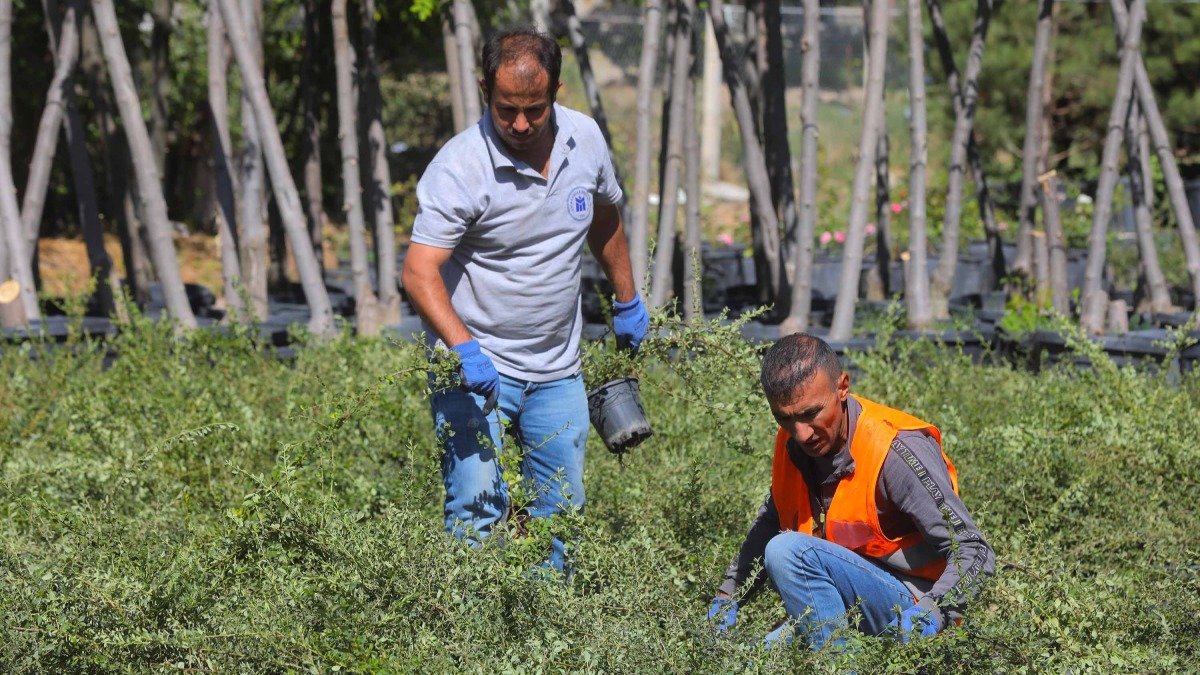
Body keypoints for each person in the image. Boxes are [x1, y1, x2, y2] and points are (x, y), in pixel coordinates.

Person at [401, 26, 647, 573]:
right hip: (475, 369)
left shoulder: (585, 140)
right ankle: (468, 621)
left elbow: (605, 216)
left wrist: (627, 299)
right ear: (484, 89)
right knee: (476, 511)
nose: (519, 124)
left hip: (557, 370)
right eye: (506, 109)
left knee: (561, 517)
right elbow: (419, 272)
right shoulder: (460, 167)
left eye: (534, 110)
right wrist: (464, 349)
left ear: (556, 90)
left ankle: (547, 616)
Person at [707, 333, 994, 648]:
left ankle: (839, 665)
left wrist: (931, 612)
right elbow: (771, 520)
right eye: (784, 418)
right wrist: (727, 597)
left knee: (787, 551)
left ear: (842, 387)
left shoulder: (894, 451)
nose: (801, 434)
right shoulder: (794, 445)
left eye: (810, 414)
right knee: (756, 660)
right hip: (847, 597)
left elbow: (974, 551)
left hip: (913, 603)